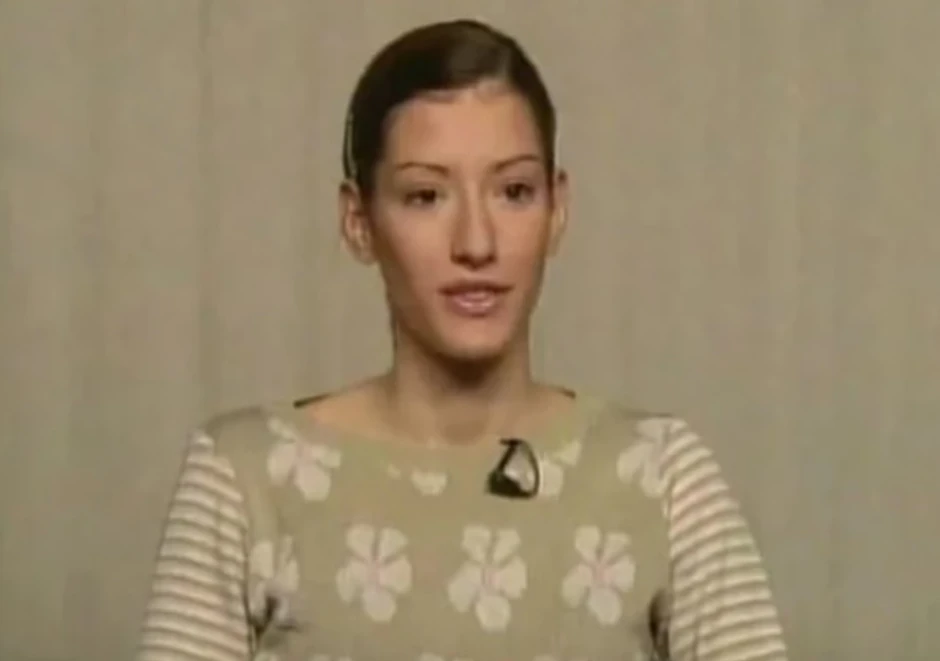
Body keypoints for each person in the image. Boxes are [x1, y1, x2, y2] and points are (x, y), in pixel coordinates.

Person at [135, 18, 789, 661]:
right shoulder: (245, 482)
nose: (476, 242)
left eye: (514, 191)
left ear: (557, 209)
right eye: (425, 196)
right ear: (358, 221)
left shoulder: (662, 477)